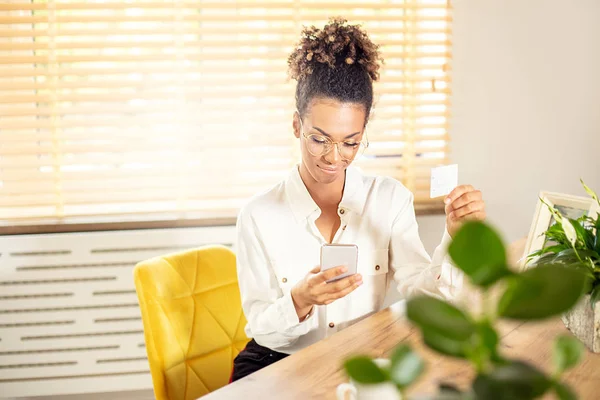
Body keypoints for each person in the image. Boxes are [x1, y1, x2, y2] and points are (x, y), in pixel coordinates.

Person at [231, 18, 485, 382]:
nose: (335, 157)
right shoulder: (258, 216)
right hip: (277, 363)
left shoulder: (390, 200)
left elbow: (429, 296)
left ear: (364, 132)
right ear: (296, 126)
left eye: (350, 142)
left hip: (356, 362)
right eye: (319, 139)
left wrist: (457, 236)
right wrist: (300, 299)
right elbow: (262, 328)